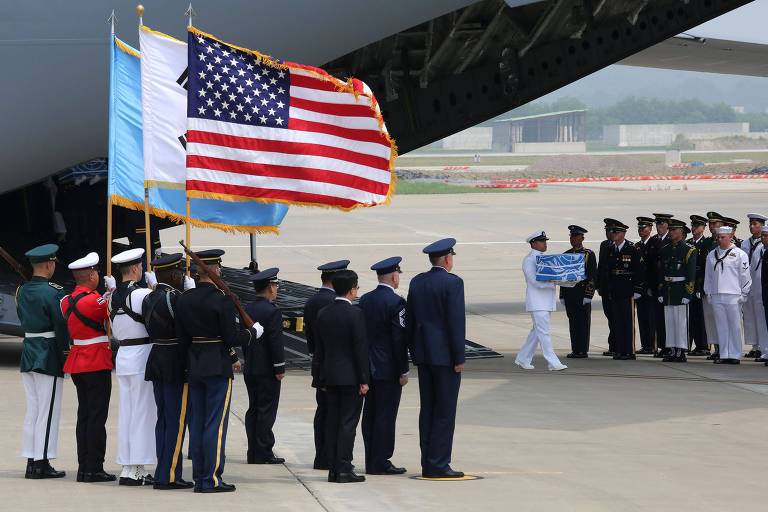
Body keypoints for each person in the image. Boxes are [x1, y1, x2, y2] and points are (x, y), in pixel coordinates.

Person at [175, 249, 264, 493]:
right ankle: (211, 479)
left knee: (198, 422)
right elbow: (231, 337)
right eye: (219, 267)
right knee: (215, 424)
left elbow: (183, 339)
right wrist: (252, 333)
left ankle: (199, 476)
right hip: (217, 366)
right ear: (215, 270)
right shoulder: (222, 300)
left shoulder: (185, 299)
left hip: (195, 365)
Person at [406, 238, 465, 479]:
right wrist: (459, 356)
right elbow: (455, 322)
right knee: (444, 411)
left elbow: (410, 320)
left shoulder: (417, 281)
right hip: (445, 357)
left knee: (428, 410)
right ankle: (439, 463)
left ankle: (428, 461)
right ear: (448, 259)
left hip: (424, 355)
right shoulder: (453, 283)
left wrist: (414, 351)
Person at [61, 252, 116, 483]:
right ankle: (94, 467)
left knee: (84, 415)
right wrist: (112, 292)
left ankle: (83, 466)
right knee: (96, 417)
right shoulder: (95, 301)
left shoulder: (65, 301)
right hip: (96, 362)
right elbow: (112, 310)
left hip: (77, 361)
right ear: (92, 275)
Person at [142, 253, 196, 490]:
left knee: (163, 419)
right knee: (176, 420)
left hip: (157, 358)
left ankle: (163, 470)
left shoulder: (149, 297)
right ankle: (170, 475)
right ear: (174, 275)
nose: (182, 277)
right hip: (175, 361)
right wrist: (190, 296)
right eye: (180, 273)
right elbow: (187, 329)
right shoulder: (176, 298)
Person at [16, 244, 69, 479]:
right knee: (48, 411)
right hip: (48, 354)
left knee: (34, 410)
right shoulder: (54, 292)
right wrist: (66, 354)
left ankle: (31, 459)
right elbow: (61, 326)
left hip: (29, 351)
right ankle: (42, 463)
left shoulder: (21, 290)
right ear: (49, 265)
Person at [314, 269, 370, 483]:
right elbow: (360, 349)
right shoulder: (355, 314)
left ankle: (333, 469)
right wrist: (364, 379)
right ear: (352, 290)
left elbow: (319, 350)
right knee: (348, 424)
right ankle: (344, 468)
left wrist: (320, 377)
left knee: (332, 422)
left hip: (329, 376)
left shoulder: (324, 313)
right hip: (350, 378)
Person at [109, 248, 157, 486]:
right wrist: (156, 288)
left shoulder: (111, 296)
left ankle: (128, 466)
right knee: (142, 413)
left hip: (123, 355)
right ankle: (137, 467)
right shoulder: (143, 294)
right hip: (142, 355)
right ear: (137, 269)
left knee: (127, 413)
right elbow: (161, 313)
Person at [359, 257, 409, 475]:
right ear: (394, 277)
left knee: (369, 415)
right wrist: (403, 370)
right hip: (388, 369)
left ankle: (371, 458)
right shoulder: (396, 303)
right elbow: (399, 340)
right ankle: (381, 460)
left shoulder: (365, 299)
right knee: (385, 416)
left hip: (368, 367)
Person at [303, 259, 349, 471]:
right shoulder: (334, 302)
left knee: (322, 411)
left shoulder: (312, 301)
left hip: (318, 363)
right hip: (335, 365)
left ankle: (321, 456)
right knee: (335, 413)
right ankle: (331, 456)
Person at [243, 268, 286, 465]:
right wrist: (279, 367)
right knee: (266, 410)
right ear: (270, 287)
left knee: (254, 408)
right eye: (275, 285)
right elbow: (275, 342)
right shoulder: (272, 311)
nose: (276, 289)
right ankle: (263, 451)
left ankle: (253, 451)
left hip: (251, 366)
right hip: (267, 369)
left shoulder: (248, 308)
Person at [516, 230, 568, 371]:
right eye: (542, 241)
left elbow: (555, 277)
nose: (545, 243)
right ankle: (553, 362)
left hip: (545, 302)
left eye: (545, 241)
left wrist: (568, 281)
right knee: (544, 333)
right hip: (537, 302)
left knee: (536, 333)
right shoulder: (529, 260)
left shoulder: (545, 259)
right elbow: (535, 281)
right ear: (533, 243)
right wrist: (554, 282)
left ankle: (523, 358)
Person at [704, 227, 751, 364]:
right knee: (721, 326)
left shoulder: (739, 254)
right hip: (716, 294)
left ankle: (735, 355)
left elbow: (745, 276)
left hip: (733, 294)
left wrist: (744, 293)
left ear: (730, 237)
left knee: (734, 326)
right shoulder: (712, 254)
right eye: (718, 237)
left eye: (723, 237)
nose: (719, 240)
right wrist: (708, 292)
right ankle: (724, 354)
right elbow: (708, 276)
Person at [604, 221, 645, 360]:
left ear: (623, 234)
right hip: (615, 289)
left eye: (616, 232)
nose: (613, 234)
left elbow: (640, 270)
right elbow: (609, 270)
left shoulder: (632, 248)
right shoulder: (611, 249)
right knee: (617, 321)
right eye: (613, 232)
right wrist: (609, 288)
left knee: (628, 321)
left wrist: (638, 289)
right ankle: (620, 350)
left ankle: (629, 351)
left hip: (628, 289)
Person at [658, 220, 697, 363]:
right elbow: (661, 273)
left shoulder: (688, 250)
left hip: (680, 290)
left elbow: (691, 274)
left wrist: (688, 293)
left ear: (681, 232)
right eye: (671, 229)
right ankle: (672, 349)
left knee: (681, 323)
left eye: (674, 230)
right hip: (669, 290)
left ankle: (681, 350)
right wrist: (661, 291)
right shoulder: (665, 249)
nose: (671, 232)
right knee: (670, 322)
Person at [560, 226, 596, 359]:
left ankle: (582, 350)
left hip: (582, 294)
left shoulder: (588, 254)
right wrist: (562, 295)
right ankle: (575, 349)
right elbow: (563, 277)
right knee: (573, 323)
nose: (573, 239)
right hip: (570, 294)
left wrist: (588, 294)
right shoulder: (566, 254)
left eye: (576, 236)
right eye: (571, 236)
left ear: (582, 238)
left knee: (583, 323)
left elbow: (592, 276)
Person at [741, 213, 767, 359]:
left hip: (759, 284)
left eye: (755, 224)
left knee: (760, 316)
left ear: (762, 226)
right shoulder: (745, 243)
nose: (751, 227)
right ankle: (754, 345)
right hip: (748, 284)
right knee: (749, 316)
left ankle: (762, 347)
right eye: (750, 224)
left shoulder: (762, 246)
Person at [646, 213, 673, 357]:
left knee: (668, 318)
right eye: (657, 224)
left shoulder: (671, 240)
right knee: (658, 318)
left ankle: (670, 346)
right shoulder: (653, 241)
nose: (659, 227)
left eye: (661, 224)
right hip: (656, 285)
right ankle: (662, 346)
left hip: (668, 286)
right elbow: (649, 266)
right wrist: (650, 286)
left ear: (668, 225)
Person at [702, 212, 726, 360]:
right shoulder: (706, 243)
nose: (711, 226)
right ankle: (716, 348)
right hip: (709, 287)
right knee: (710, 320)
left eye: (715, 223)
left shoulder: (726, 242)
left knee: (722, 321)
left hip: (723, 288)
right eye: (710, 223)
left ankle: (724, 348)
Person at [687, 215, 710, 356]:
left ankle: (703, 345)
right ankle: (692, 344)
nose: (694, 228)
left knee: (701, 317)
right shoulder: (688, 243)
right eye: (693, 225)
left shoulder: (706, 243)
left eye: (697, 226)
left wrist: (702, 286)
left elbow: (705, 267)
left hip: (700, 284)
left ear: (703, 228)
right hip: (690, 284)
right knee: (691, 316)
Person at [596, 219, 620, 356]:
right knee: (610, 316)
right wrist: (598, 285)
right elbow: (601, 267)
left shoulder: (621, 245)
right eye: (606, 231)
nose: (608, 233)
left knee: (618, 318)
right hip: (605, 288)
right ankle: (613, 345)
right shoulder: (604, 245)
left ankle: (618, 345)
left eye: (610, 231)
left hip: (616, 288)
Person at [635, 217, 657, 355]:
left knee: (651, 318)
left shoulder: (654, 244)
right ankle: (645, 344)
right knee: (642, 317)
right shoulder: (637, 246)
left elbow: (654, 268)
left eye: (643, 228)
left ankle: (652, 344)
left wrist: (651, 287)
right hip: (640, 288)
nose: (641, 230)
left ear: (650, 229)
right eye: (639, 228)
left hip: (650, 288)